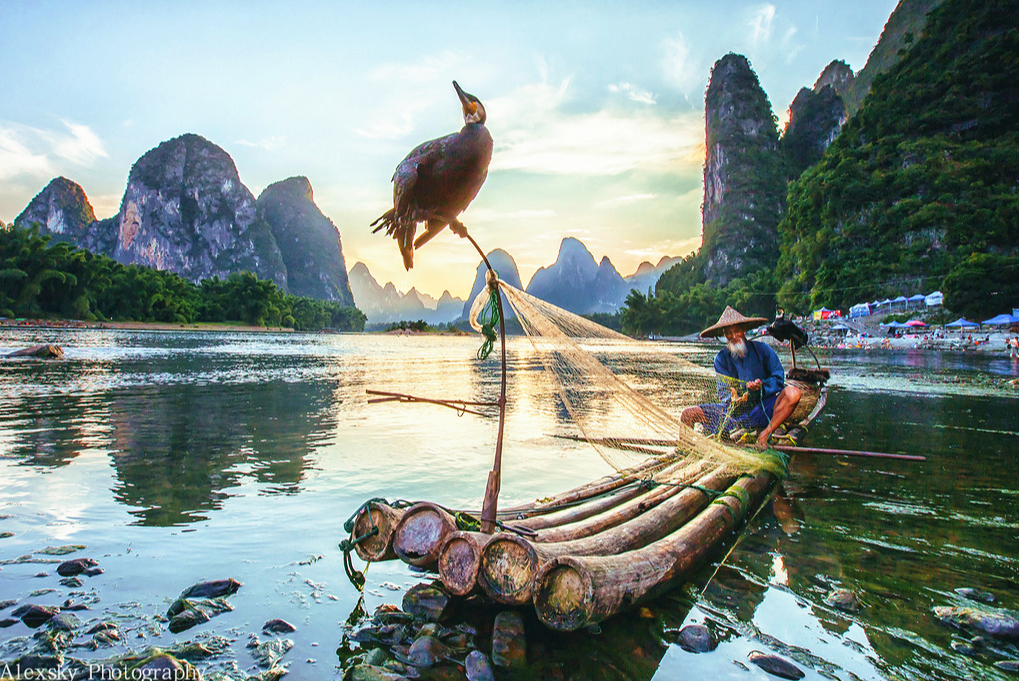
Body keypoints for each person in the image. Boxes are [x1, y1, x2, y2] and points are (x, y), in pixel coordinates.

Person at [681, 306, 802, 448]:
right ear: (724, 335)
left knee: (794, 393)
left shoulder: (763, 350)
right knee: (687, 415)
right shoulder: (721, 358)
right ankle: (685, 450)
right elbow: (723, 393)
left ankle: (764, 435)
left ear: (743, 330)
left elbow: (778, 379)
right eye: (729, 333)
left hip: (762, 408)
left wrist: (761, 386)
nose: (733, 336)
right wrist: (737, 397)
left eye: (736, 331)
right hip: (733, 414)